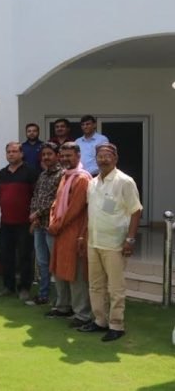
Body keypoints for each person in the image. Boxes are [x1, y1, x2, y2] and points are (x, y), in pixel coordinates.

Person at [79, 143, 142, 342]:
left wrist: (130, 239)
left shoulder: (125, 181)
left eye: (107, 156)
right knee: (95, 285)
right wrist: (83, 236)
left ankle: (116, 325)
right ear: (96, 159)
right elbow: (90, 212)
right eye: (100, 156)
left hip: (115, 243)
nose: (103, 159)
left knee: (115, 287)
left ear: (115, 159)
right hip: (94, 241)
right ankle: (100, 321)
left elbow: (136, 210)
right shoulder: (92, 183)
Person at [46, 142, 92, 326]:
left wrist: (57, 225)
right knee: (59, 270)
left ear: (78, 156)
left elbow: (74, 209)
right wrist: (52, 221)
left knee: (76, 273)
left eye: (69, 156)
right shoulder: (65, 176)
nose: (65, 159)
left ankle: (82, 314)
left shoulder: (82, 178)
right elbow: (56, 203)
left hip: (74, 231)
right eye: (63, 156)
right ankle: (63, 306)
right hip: (59, 231)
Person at [0, 142, 38, 300]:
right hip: (6, 223)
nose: (11, 154)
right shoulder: (2, 173)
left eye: (14, 151)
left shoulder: (30, 171)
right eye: (8, 152)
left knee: (25, 256)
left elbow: (36, 196)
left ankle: (24, 288)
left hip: (25, 223)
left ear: (21, 154)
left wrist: (35, 218)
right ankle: (8, 286)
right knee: (6, 256)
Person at [27, 142, 63, 306]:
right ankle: (43, 295)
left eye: (49, 154)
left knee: (56, 262)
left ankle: (61, 299)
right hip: (39, 225)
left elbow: (56, 200)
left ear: (57, 156)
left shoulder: (62, 175)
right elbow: (36, 196)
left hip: (51, 226)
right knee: (42, 262)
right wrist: (34, 216)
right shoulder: (42, 175)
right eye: (44, 155)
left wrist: (38, 213)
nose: (46, 157)